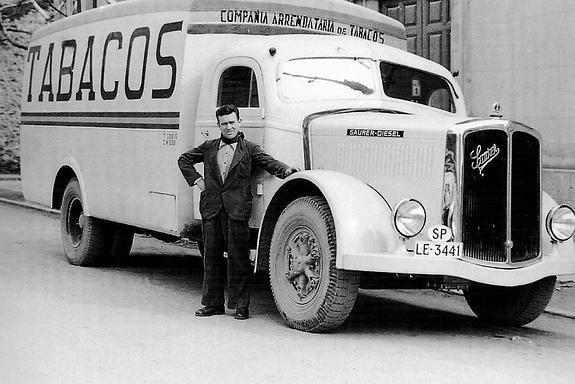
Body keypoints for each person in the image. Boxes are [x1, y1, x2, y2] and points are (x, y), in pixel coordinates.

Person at [178, 104, 299, 320]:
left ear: (239, 122)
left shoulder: (250, 149)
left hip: (237, 211)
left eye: (232, 122)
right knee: (211, 259)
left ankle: (240, 306)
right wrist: (198, 181)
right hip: (212, 209)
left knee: (239, 260)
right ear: (218, 125)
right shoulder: (208, 147)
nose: (228, 127)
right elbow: (184, 160)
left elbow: (269, 163)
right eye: (224, 124)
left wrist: (287, 171)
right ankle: (213, 304)